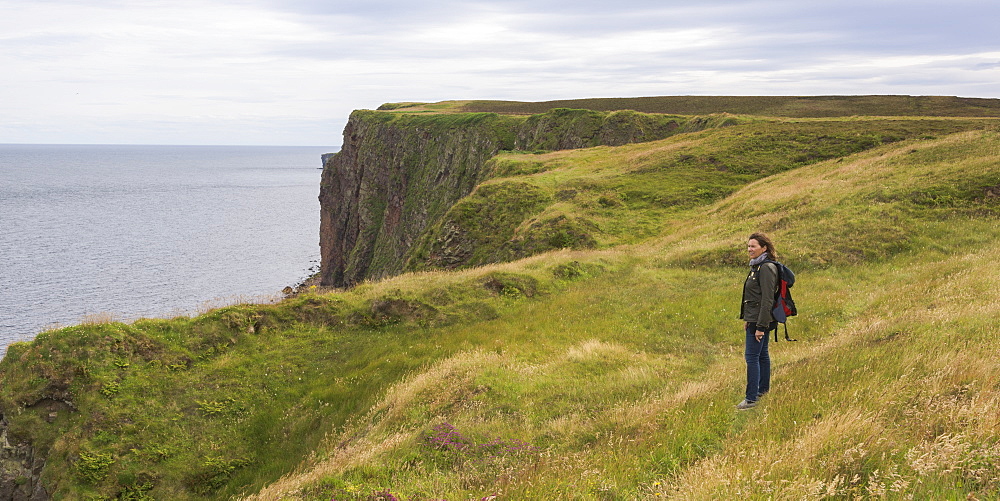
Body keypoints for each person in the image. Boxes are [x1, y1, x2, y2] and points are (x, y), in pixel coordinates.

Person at [737, 232, 779, 410]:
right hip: (756, 319)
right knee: (762, 355)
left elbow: (767, 299)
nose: (749, 249)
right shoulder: (757, 266)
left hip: (761, 321)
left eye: (753, 246)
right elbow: (754, 297)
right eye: (748, 246)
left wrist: (761, 326)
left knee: (752, 357)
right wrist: (749, 319)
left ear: (764, 248)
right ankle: (762, 391)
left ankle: (751, 398)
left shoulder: (766, 268)